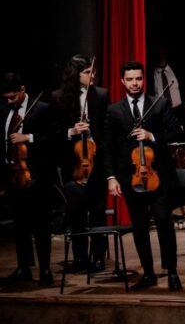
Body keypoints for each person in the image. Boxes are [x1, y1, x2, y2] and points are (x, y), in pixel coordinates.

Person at [104, 62, 182, 290]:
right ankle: (148, 272)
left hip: (159, 177)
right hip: (130, 178)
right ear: (122, 81)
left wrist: (152, 135)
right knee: (139, 226)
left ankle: (172, 272)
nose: (135, 83)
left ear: (143, 79)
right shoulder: (114, 110)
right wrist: (111, 177)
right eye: (130, 79)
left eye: (138, 79)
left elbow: (176, 130)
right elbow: (108, 147)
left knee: (164, 221)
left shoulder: (158, 104)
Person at [52, 55, 110, 274]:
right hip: (72, 163)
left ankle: (98, 258)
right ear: (76, 75)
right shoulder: (58, 98)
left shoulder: (101, 95)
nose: (92, 75)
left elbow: (106, 129)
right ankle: (79, 258)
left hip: (96, 162)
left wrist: (93, 137)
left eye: (92, 72)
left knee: (97, 212)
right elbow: (54, 134)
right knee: (75, 212)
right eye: (87, 72)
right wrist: (71, 131)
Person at [3, 73, 56, 285]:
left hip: (37, 177)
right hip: (14, 177)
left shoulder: (41, 108)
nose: (9, 102)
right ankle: (24, 267)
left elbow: (55, 138)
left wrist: (28, 138)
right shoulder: (5, 111)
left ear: (23, 90)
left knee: (41, 226)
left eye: (13, 97)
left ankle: (45, 271)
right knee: (20, 226)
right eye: (6, 98)